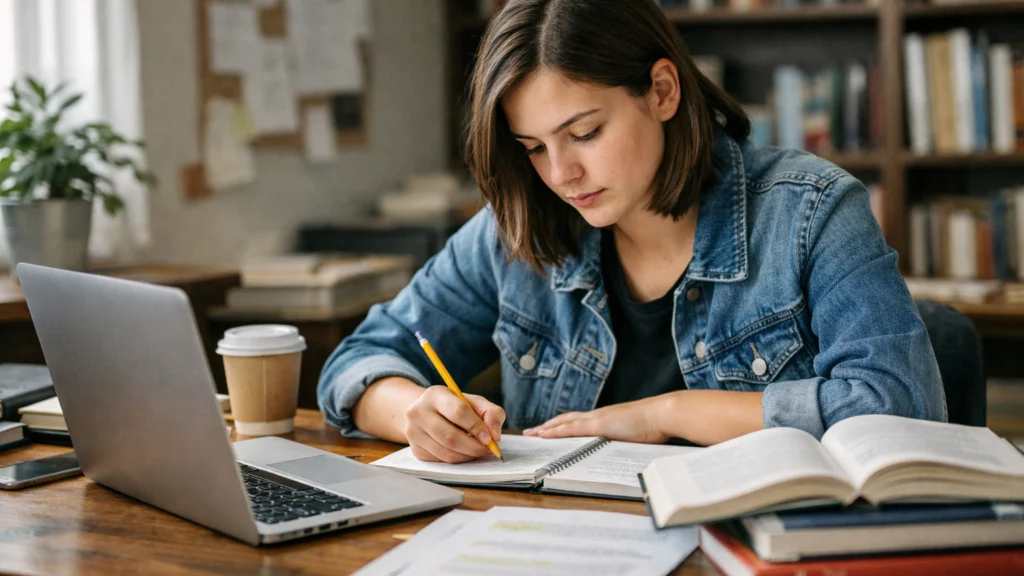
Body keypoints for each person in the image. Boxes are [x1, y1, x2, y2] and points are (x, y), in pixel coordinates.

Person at [317, 0, 946, 463]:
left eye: (585, 133)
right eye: (533, 147)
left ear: (663, 90)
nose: (561, 174)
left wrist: (662, 414)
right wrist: (414, 414)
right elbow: (358, 361)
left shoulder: (811, 212)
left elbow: (899, 409)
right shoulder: (516, 229)